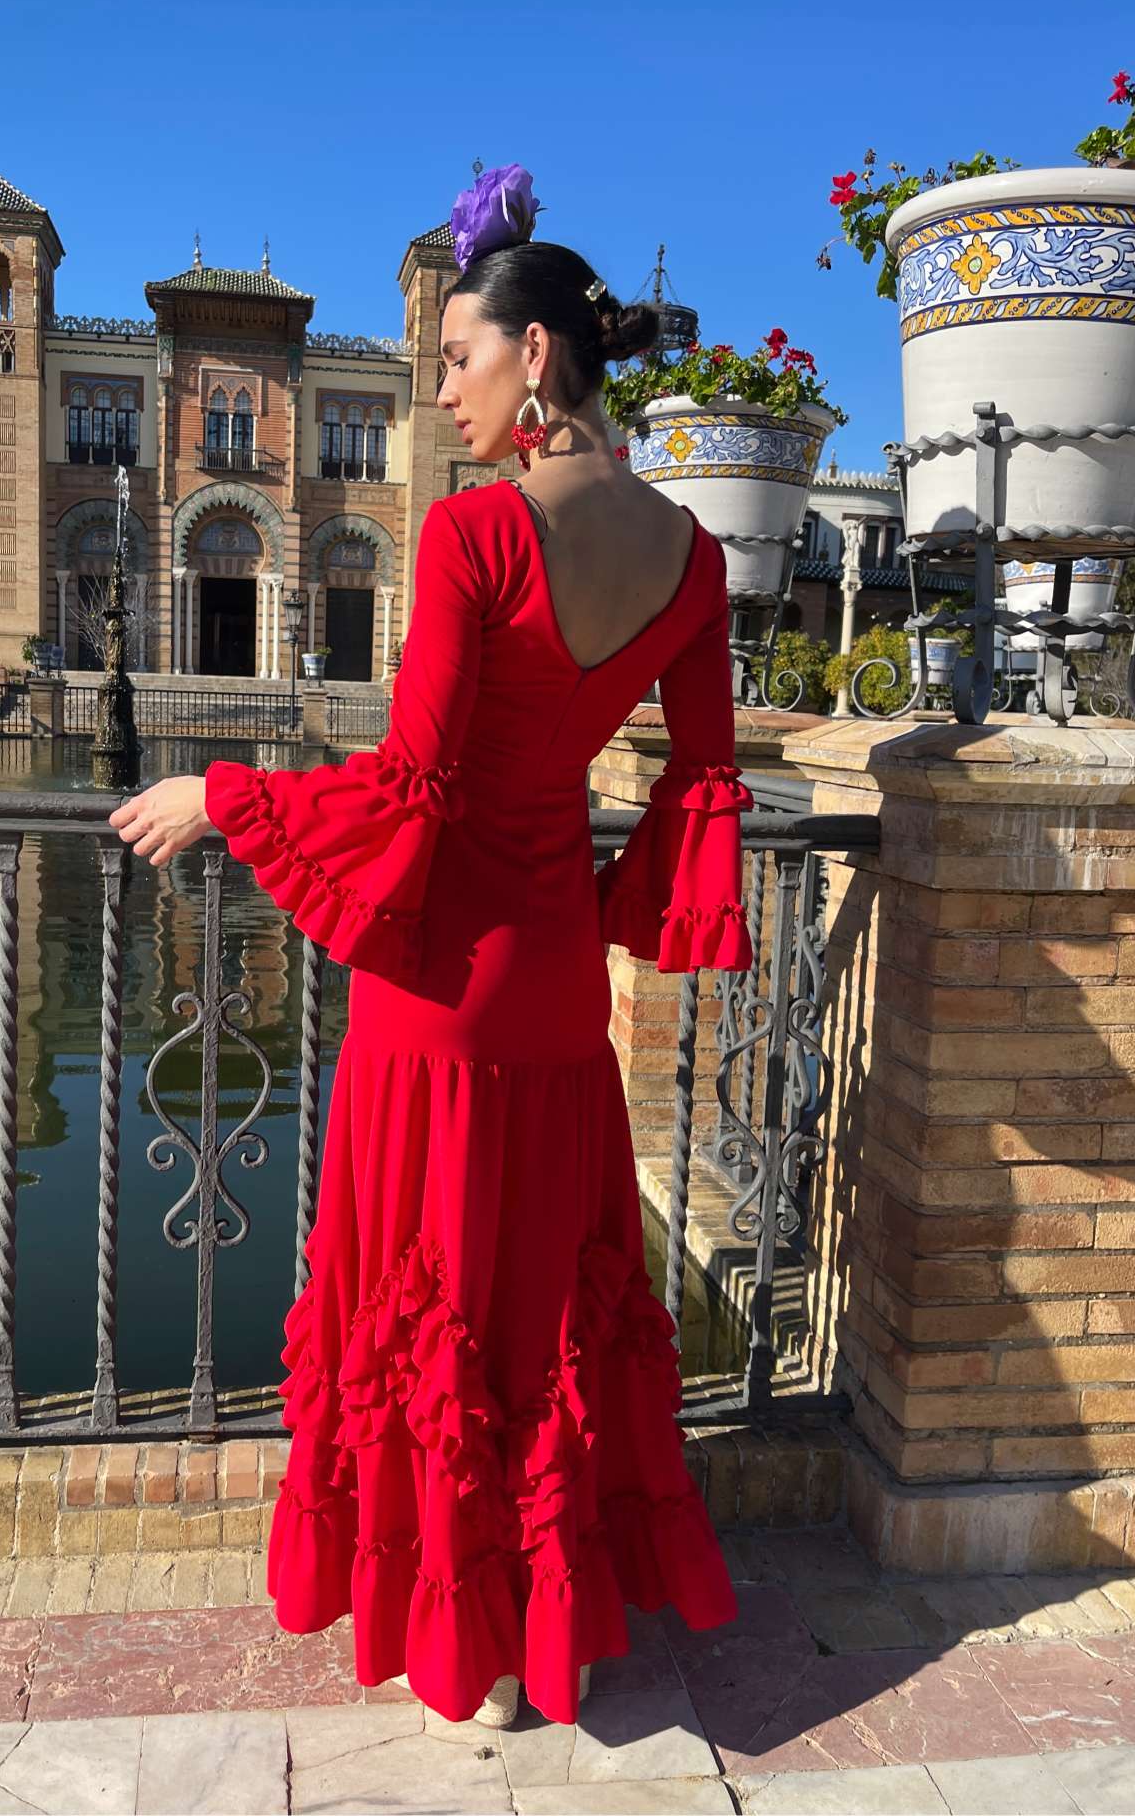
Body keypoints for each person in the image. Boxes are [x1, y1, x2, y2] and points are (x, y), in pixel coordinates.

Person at [109, 164, 751, 1729]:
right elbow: (703, 772)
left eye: (458, 358)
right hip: (553, 990)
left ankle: (469, 1639)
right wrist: (620, 910)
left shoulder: (474, 538)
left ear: (536, 358)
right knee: (539, 1299)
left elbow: (412, 784)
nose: (443, 389)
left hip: (437, 996)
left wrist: (224, 792)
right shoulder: (693, 558)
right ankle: (551, 1629)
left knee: (434, 1298)